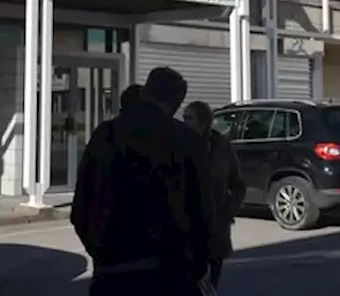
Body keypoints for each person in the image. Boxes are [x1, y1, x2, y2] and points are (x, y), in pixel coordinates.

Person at [70, 67, 215, 295]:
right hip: (170, 274)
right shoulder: (186, 140)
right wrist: (197, 265)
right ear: (177, 103)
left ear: (145, 93)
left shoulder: (105, 135)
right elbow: (202, 212)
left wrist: (101, 252)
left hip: (112, 273)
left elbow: (80, 208)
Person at [182, 100, 245, 288]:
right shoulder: (179, 145)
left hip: (216, 226)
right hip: (188, 228)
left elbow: (238, 184)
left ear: (203, 121)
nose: (185, 122)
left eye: (190, 118)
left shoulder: (221, 145)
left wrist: (229, 211)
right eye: (184, 118)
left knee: (211, 282)